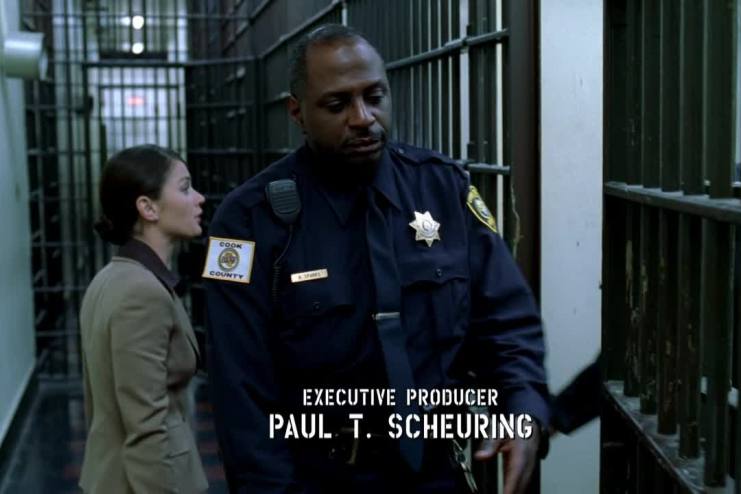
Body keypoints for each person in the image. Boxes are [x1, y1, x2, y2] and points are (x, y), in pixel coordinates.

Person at [204, 24, 549, 494]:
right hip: (319, 479)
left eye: (374, 97)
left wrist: (523, 409)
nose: (363, 117)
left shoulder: (442, 188)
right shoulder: (244, 222)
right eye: (337, 104)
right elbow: (239, 388)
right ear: (297, 112)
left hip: (437, 472)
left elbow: (507, 321)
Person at [79, 145, 209, 493]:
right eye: (185, 188)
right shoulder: (142, 293)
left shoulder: (110, 278)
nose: (199, 198)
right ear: (148, 207)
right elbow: (147, 428)